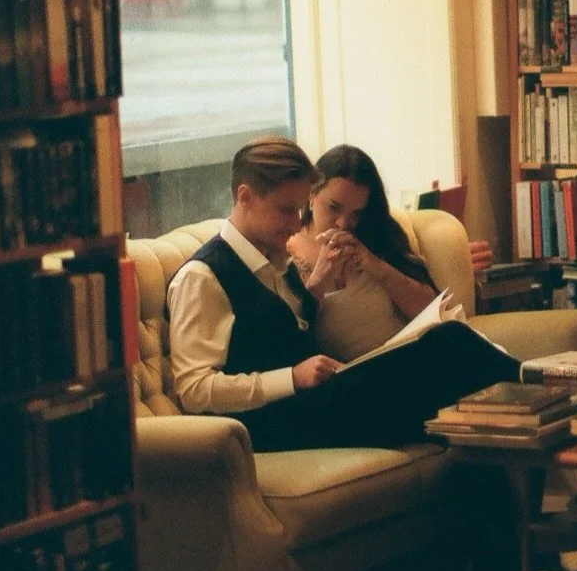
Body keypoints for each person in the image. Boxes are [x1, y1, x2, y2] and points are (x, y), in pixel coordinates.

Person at [167, 135, 521, 455]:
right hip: (273, 426)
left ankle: (539, 410)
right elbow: (195, 390)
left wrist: (317, 293)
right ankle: (549, 391)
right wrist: (292, 377)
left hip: (315, 402)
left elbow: (287, 334)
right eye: (287, 209)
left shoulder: (273, 262)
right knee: (446, 345)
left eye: (301, 210)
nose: (296, 223)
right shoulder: (203, 276)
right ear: (245, 197)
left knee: (455, 380)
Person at [286, 144, 440, 362]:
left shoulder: (374, 235)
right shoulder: (286, 253)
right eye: (333, 207)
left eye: (356, 213)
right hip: (352, 378)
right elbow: (287, 342)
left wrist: (376, 267)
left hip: (415, 356)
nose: (344, 224)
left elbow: (432, 311)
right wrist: (317, 283)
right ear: (311, 194)